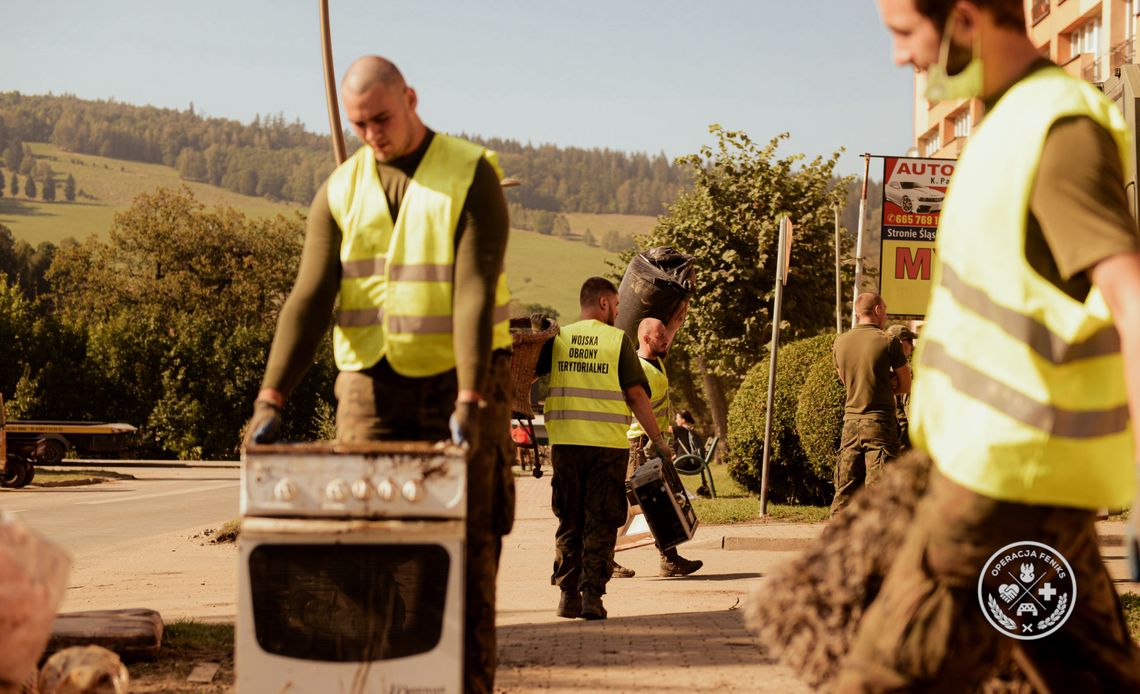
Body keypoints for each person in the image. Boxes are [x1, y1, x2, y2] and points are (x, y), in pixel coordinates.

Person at [837, 1, 1140, 689]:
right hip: (1020, 478)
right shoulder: (1003, 128)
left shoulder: (1056, 129)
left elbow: (1132, 300)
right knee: (1096, 679)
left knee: (880, 676)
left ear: (966, 20)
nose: (898, 57)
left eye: (904, 32)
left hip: (999, 485)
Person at [243, 55, 514, 694]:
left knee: (468, 551)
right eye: (359, 124)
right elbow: (310, 298)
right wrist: (270, 396)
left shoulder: (470, 173)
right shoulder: (340, 189)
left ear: (411, 98)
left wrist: (472, 395)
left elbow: (474, 286)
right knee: (363, 551)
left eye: (382, 119)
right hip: (369, 392)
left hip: (461, 385)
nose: (372, 134)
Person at [537, 277, 674, 620]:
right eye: (614, 305)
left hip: (566, 447)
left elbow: (528, 379)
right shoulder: (617, 341)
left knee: (569, 520)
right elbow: (636, 396)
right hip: (606, 448)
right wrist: (659, 442)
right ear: (601, 303)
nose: (617, 311)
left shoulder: (557, 339)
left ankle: (567, 595)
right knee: (599, 522)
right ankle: (592, 597)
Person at [617, 317, 703, 579]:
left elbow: (667, 336)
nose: (666, 339)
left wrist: (677, 320)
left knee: (661, 501)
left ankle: (670, 559)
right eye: (660, 336)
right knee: (626, 504)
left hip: (654, 443)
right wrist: (658, 442)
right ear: (645, 339)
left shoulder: (656, 360)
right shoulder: (638, 368)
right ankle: (601, 559)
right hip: (640, 444)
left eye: (667, 335)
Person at [830, 292, 911, 515]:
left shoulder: (840, 342)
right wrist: (887, 381)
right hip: (879, 423)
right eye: (884, 309)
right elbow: (906, 385)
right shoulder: (888, 341)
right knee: (879, 494)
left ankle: (836, 539)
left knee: (844, 491)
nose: (885, 315)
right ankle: (880, 544)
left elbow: (846, 381)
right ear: (877, 310)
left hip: (851, 423)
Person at [884, 324, 917, 449]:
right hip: (905, 442)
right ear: (900, 343)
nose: (912, 346)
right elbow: (912, 414)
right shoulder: (906, 373)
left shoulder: (881, 370)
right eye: (909, 341)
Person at [673, 409, 711, 498]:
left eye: (677, 418)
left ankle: (683, 494)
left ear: (683, 420)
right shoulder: (691, 430)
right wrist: (674, 457)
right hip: (694, 462)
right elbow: (687, 448)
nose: (676, 420)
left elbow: (662, 427)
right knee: (667, 467)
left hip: (686, 464)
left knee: (667, 470)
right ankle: (681, 493)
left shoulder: (681, 429)